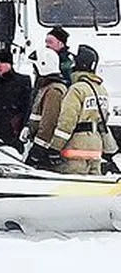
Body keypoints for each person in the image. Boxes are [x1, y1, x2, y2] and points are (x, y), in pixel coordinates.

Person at [48, 45, 119, 175]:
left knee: (72, 189)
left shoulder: (76, 90)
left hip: (75, 149)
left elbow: (66, 122)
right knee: (92, 188)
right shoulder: (101, 90)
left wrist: (54, 148)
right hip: (96, 147)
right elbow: (103, 121)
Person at [23, 50, 67, 170]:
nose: (33, 71)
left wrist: (38, 150)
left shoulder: (54, 91)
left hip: (44, 150)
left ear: (42, 66)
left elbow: (49, 123)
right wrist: (29, 128)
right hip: (40, 145)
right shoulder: (47, 88)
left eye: (34, 67)